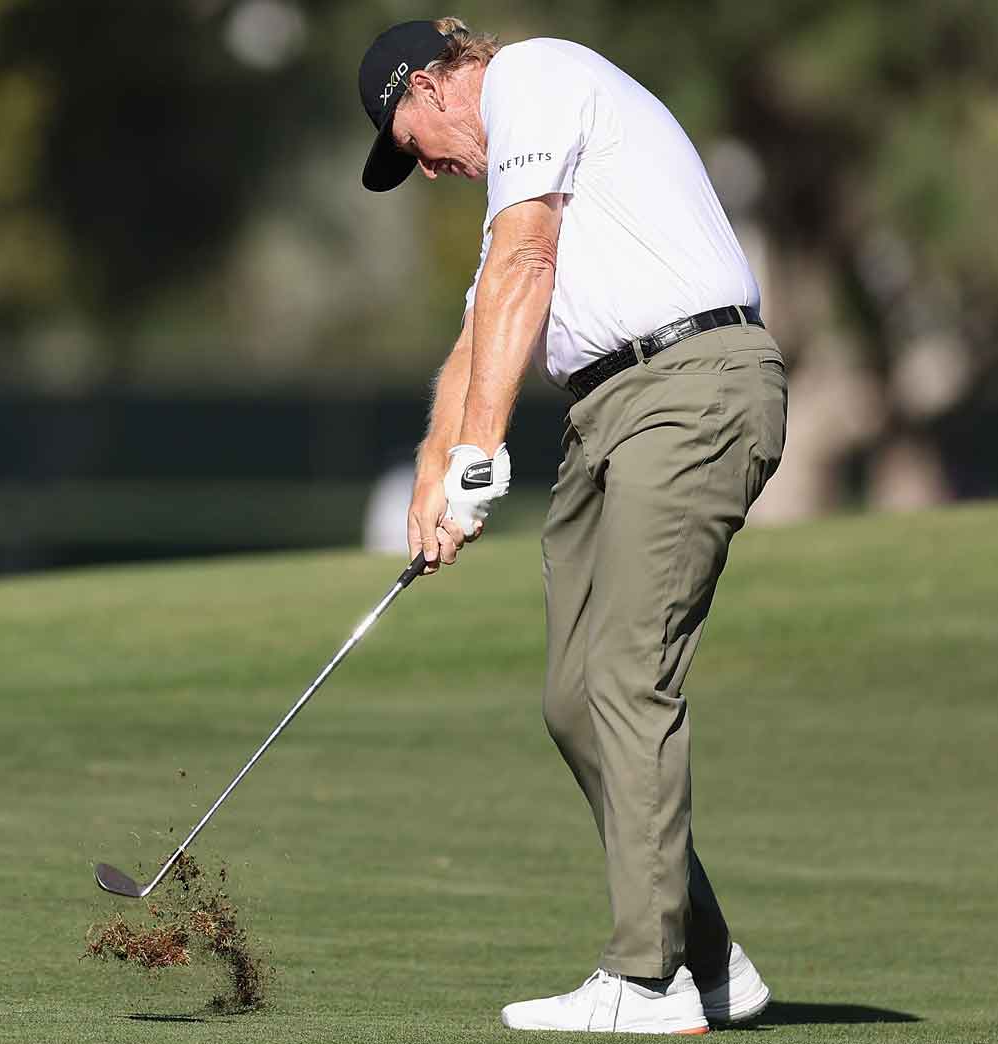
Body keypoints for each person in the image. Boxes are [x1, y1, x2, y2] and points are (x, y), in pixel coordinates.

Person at [356, 18, 787, 1035]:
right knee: (571, 698)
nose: (422, 170)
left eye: (407, 142)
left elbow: (524, 269)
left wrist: (480, 454)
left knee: (626, 677)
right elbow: (480, 321)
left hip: (689, 386)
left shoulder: (535, 79)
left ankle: (647, 981)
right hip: (608, 413)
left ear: (430, 86)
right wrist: (433, 472)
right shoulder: (517, 161)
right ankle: (706, 962)